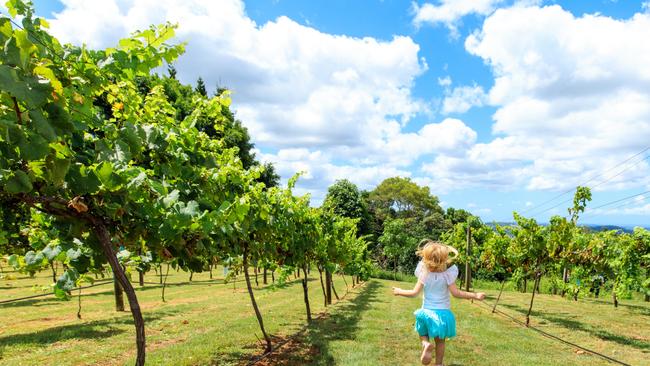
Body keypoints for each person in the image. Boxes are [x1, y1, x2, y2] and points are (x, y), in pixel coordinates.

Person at [392, 240, 486, 366]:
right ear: (444, 260)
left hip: (425, 313)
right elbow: (456, 293)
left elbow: (414, 293)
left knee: (423, 333)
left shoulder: (424, 274)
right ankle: (439, 364)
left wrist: (399, 291)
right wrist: (475, 295)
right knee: (440, 342)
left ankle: (425, 344)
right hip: (442, 315)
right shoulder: (447, 275)